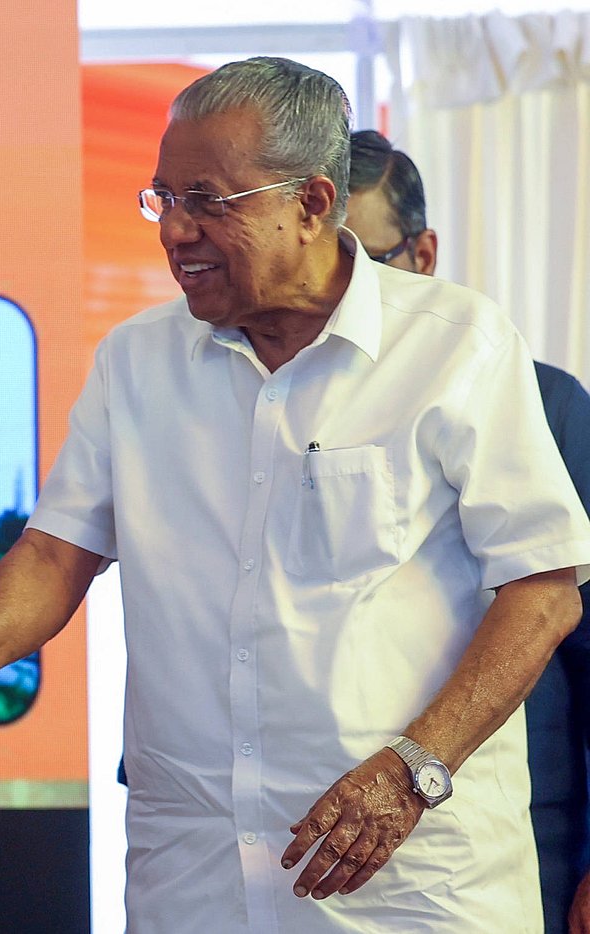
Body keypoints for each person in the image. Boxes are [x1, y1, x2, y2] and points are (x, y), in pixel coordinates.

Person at [0, 57, 590, 932]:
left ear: (312, 203)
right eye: (164, 199)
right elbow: (54, 553)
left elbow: (543, 591)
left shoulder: (455, 345)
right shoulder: (136, 362)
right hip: (194, 880)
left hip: (413, 885)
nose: (174, 231)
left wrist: (411, 770)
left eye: (208, 201)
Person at [346, 128, 590, 934]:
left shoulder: (545, 405)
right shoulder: (258, 400)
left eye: (365, 263)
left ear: (423, 254)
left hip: (513, 832)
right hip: (308, 840)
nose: (339, 293)